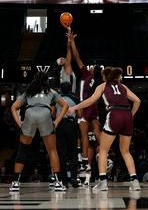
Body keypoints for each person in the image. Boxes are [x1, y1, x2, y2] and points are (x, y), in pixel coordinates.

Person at [69, 66, 141, 192]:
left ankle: (103, 182)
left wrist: (74, 108)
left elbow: (90, 101)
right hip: (127, 116)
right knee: (125, 151)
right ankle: (135, 182)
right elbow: (137, 101)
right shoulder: (123, 87)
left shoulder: (102, 86)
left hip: (114, 114)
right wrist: (131, 115)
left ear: (104, 77)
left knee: (103, 149)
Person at [9, 71, 69, 192]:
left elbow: (13, 107)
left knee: (22, 150)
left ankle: (15, 183)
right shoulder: (51, 91)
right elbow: (65, 105)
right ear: (47, 81)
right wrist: (56, 121)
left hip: (29, 114)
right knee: (52, 150)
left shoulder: (29, 91)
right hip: (45, 114)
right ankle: (58, 182)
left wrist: (19, 123)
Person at [67, 32, 103, 184]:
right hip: (93, 108)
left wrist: (72, 41)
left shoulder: (87, 74)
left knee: (84, 137)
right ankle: (103, 157)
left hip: (84, 107)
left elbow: (77, 57)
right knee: (96, 131)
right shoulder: (100, 82)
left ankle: (85, 163)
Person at [55, 81, 80, 187]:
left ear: (60, 89)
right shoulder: (75, 98)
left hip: (60, 125)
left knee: (61, 154)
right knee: (73, 153)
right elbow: (80, 113)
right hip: (71, 124)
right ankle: (74, 178)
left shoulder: (57, 99)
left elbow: (52, 112)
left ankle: (63, 180)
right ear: (70, 89)